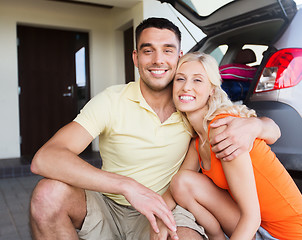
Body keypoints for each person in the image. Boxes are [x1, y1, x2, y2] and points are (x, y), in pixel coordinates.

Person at [29, 18, 280, 240]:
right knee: (47, 195)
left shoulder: (190, 104)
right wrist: (127, 186)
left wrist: (256, 124)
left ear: (179, 57)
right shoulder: (111, 100)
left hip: (167, 207)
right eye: (148, 51)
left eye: (167, 50)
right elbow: (45, 159)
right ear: (136, 58)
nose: (158, 59)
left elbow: (270, 129)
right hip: (108, 204)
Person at [170, 52, 302, 240]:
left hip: (292, 233)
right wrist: (158, 219)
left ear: (212, 89)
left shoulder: (223, 130)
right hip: (254, 229)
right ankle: (216, 235)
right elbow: (176, 190)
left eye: (197, 80)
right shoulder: (198, 142)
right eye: (180, 79)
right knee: (181, 182)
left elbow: (251, 217)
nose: (186, 87)